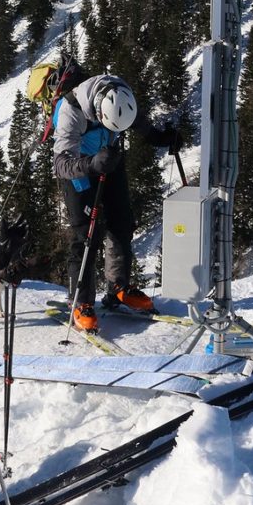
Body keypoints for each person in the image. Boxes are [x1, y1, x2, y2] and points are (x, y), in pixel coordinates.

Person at [52, 74, 182, 332]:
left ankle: (118, 288)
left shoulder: (120, 92)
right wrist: (91, 164)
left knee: (122, 221)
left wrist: (160, 138)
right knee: (86, 233)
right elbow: (60, 165)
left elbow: (136, 121)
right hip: (78, 168)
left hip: (109, 158)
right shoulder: (71, 111)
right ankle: (80, 302)